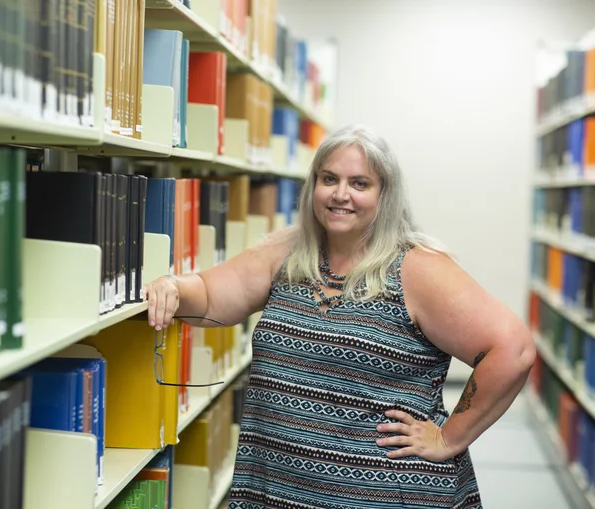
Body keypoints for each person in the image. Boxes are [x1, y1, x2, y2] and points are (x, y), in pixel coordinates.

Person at [143, 124, 536, 509]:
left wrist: (450, 438)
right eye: (329, 179)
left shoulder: (416, 269)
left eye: (360, 183)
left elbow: (512, 350)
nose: (341, 194)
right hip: (280, 486)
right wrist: (174, 288)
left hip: (389, 493)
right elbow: (211, 296)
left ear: (385, 194)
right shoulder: (290, 253)